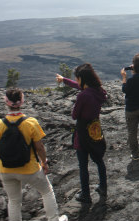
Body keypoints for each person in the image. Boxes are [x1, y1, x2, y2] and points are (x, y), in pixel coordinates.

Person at [0, 88, 67, 221]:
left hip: (6, 169)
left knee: (14, 201)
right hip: (29, 169)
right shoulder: (30, 122)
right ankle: (54, 219)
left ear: (6, 102)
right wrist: (44, 162)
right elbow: (39, 147)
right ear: (22, 102)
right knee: (46, 191)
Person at [56, 63, 108, 203]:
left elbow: (74, 115)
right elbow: (78, 86)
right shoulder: (97, 91)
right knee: (98, 160)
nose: (77, 81)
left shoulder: (83, 96)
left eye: (77, 79)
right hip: (95, 129)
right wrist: (64, 80)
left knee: (83, 165)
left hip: (83, 133)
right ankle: (103, 186)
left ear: (83, 79)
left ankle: (86, 194)